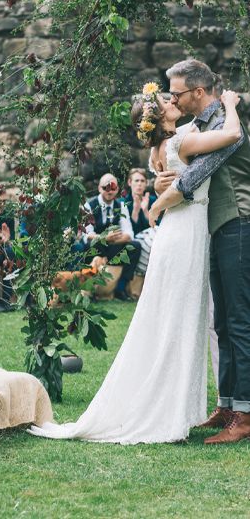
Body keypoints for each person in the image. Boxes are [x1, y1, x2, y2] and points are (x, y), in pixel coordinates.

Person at [28, 81, 240, 444]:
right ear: (159, 116)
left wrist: (160, 192)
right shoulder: (180, 142)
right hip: (185, 235)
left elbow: (197, 123)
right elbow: (231, 133)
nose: (174, 100)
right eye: (166, 100)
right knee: (179, 319)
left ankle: (180, 405)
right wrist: (232, 103)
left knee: (173, 318)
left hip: (178, 233)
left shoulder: (164, 145)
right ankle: (169, 409)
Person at [149, 59, 250, 445]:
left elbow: (195, 175)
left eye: (176, 92)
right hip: (212, 229)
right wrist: (162, 179)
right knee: (221, 321)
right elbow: (178, 161)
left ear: (198, 92)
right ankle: (227, 405)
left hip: (237, 222)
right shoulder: (199, 126)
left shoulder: (227, 123)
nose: (172, 97)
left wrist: (162, 200)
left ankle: (244, 413)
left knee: (239, 319)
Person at [81, 173, 141, 301]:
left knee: (135, 246)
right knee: (89, 246)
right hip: (97, 246)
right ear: (99, 188)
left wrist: (113, 239)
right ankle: (90, 290)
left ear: (117, 189)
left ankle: (121, 288)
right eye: (105, 188)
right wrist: (104, 237)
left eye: (113, 188)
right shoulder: (89, 205)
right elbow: (87, 234)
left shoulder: (121, 205)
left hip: (114, 245)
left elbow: (129, 233)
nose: (109, 191)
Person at [124, 168, 157, 276]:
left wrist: (145, 210)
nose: (139, 184)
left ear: (146, 183)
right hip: (135, 242)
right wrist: (136, 210)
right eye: (136, 181)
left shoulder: (152, 200)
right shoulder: (123, 202)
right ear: (130, 182)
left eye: (142, 181)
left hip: (152, 239)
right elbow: (130, 231)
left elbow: (157, 226)